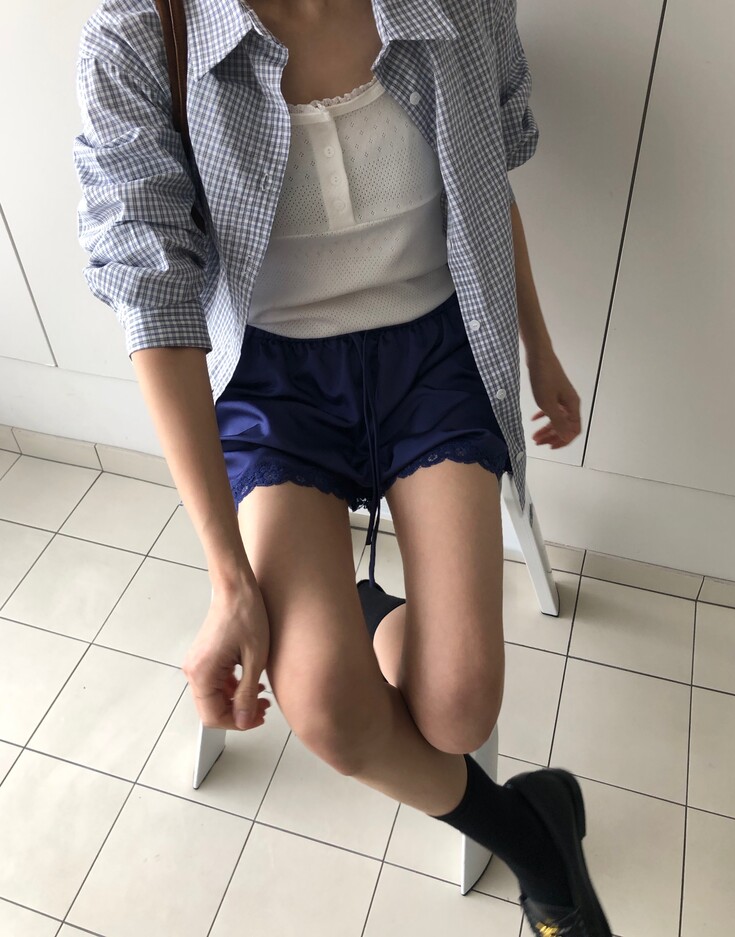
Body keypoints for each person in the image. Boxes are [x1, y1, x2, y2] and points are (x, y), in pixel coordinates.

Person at [73, 0, 609, 933]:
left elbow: (484, 186)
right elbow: (153, 303)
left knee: (458, 707)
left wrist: (541, 348)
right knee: (325, 703)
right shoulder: (136, 33)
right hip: (275, 381)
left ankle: (354, 607)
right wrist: (229, 580)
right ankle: (534, 838)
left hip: (435, 355)